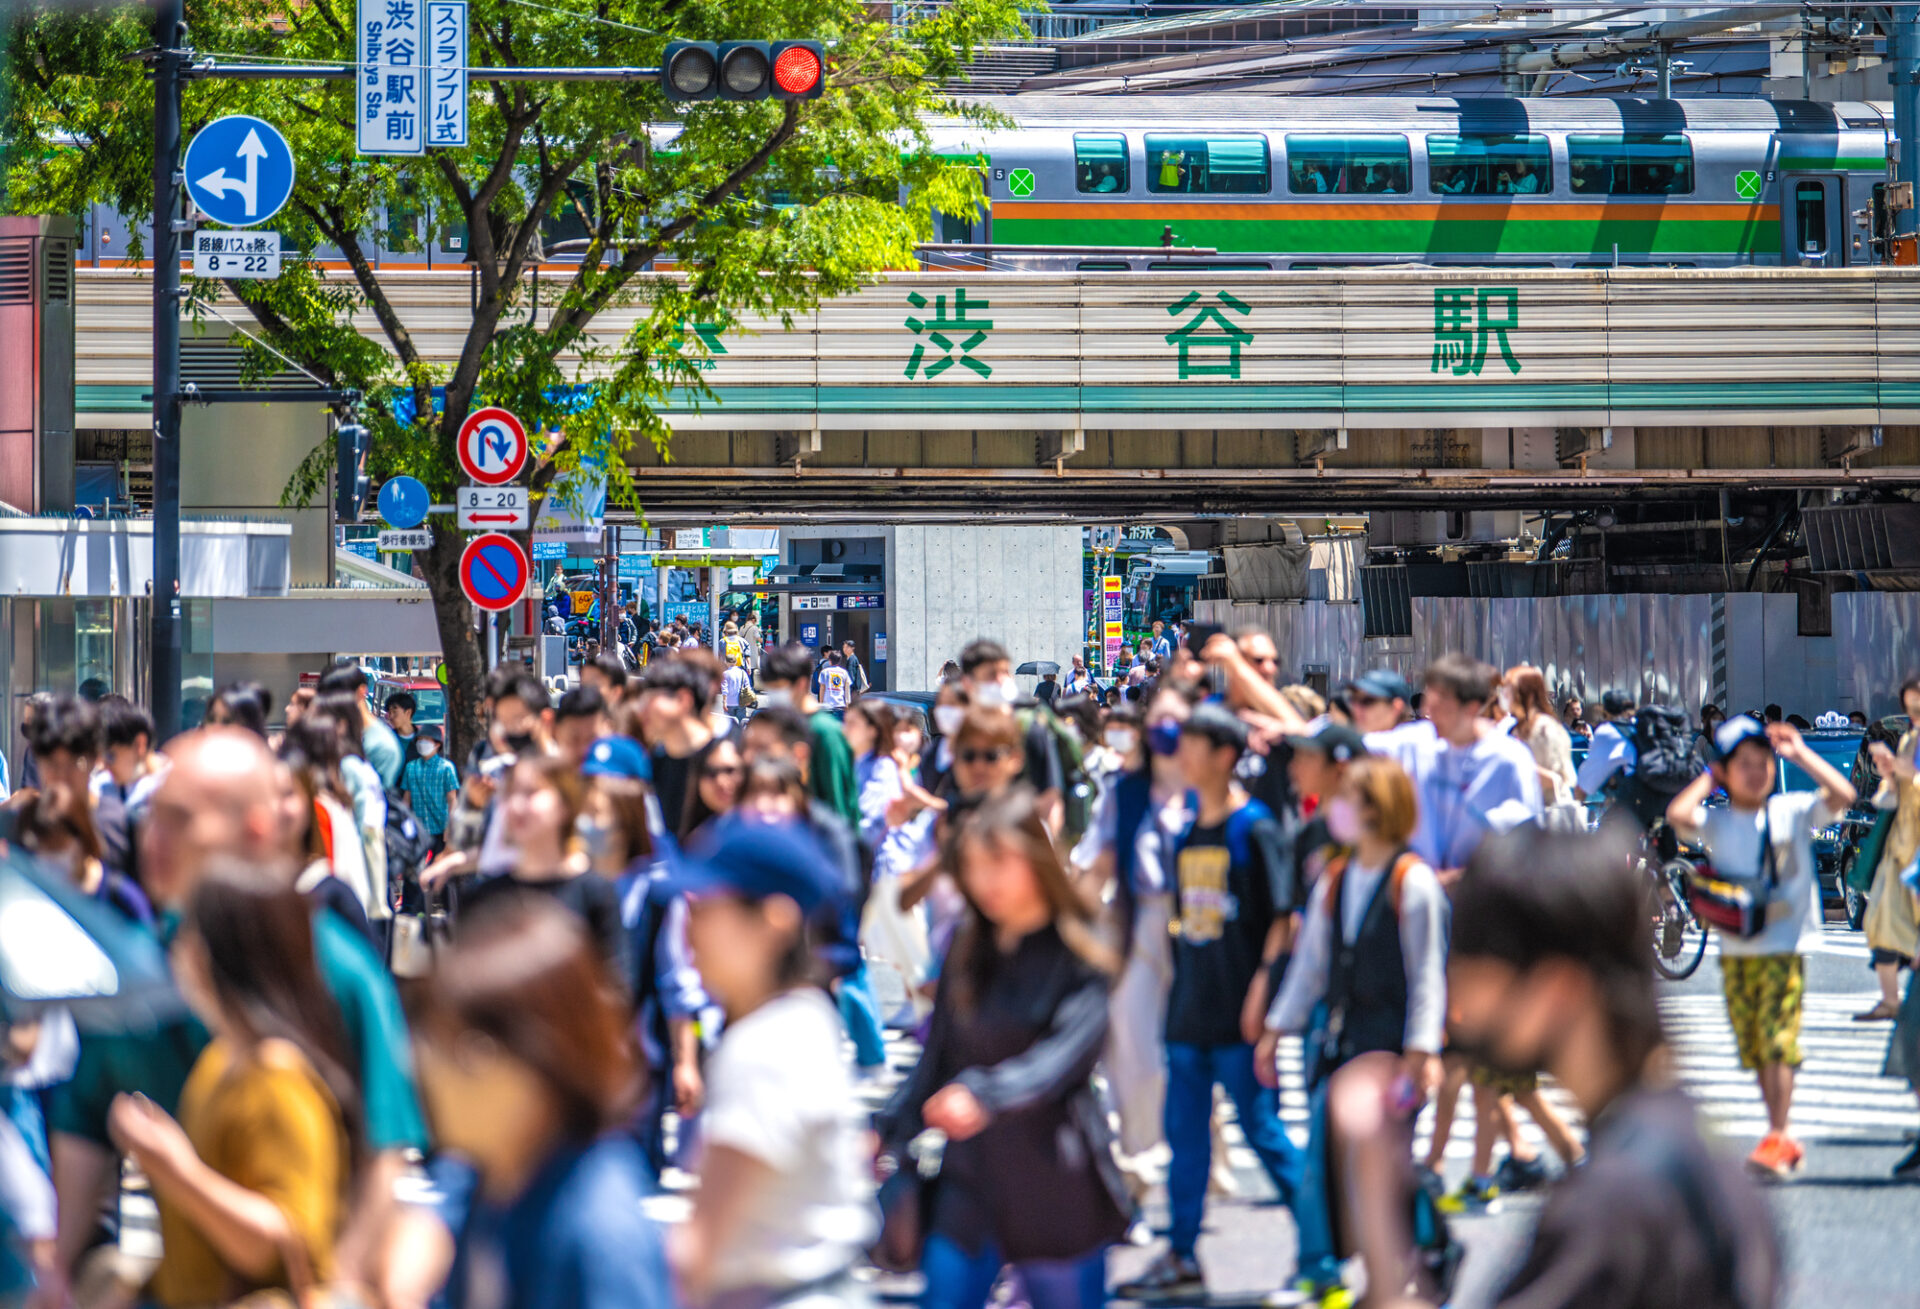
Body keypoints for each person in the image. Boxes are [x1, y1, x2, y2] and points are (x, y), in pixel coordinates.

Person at [1444, 825, 1781, 1309]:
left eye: (1474, 976)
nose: (1458, 1007)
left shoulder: (1610, 1206)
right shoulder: (1694, 1147)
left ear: (1558, 988)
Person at [881, 789, 1127, 1309]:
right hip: (971, 1177)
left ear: (1036, 858)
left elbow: (1062, 1060)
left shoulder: (1081, 949)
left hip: (1055, 1175)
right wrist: (887, 1128)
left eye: (999, 862)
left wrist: (985, 1094)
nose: (983, 879)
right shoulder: (969, 948)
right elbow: (938, 1058)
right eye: (972, 865)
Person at [391, 897, 673, 1309]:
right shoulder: (494, 1176)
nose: (426, 1068)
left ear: (544, 1062)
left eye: (467, 1051)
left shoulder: (598, 1234)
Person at [1119, 703, 1304, 1299]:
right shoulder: (1184, 831)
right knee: (1186, 1140)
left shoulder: (1256, 828)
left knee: (1264, 1133)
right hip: (1189, 1012)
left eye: (1196, 747)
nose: (1184, 758)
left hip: (1240, 1015)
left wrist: (1263, 998)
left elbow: (1284, 919)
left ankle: (1325, 1246)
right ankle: (1181, 1255)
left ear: (1226, 755)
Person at [111, 865, 358, 1309]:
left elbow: (286, 1240)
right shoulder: (220, 1060)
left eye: (188, 935)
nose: (177, 948)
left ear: (212, 954)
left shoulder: (276, 1080)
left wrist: (177, 1170)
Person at [1263, 753, 1446, 1306]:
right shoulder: (1336, 878)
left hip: (1391, 1043)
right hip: (1341, 1042)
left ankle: (1410, 1260)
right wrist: (1277, 1030)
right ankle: (1351, 1269)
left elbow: (1427, 975)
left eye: (1349, 799)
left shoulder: (1412, 883)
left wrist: (1422, 1050)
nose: (1336, 809)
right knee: (1330, 1156)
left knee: (1384, 1165)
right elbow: (1310, 966)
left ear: (1378, 807)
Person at [671, 818, 877, 1307]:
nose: (688, 928)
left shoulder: (763, 1048)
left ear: (775, 920)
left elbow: (699, 1245)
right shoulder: (807, 1017)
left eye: (707, 907)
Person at [1668, 716, 1856, 1177]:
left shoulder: (1789, 810)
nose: (1757, 772)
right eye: (1744, 765)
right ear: (1726, 773)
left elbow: (1843, 797)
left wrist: (1800, 754)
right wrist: (1711, 773)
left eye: (1762, 763)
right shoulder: (1717, 820)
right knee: (1754, 1044)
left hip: (1783, 945)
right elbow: (1676, 815)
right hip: (1735, 950)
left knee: (1776, 1040)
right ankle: (1778, 1134)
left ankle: (1780, 1132)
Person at [456, 756, 630, 987]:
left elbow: (617, 986)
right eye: (510, 794)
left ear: (565, 804)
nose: (517, 806)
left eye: (531, 793)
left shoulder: (595, 894)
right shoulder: (481, 899)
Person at [1860, 676, 1920, 1023]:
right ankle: (1890, 999)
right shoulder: (1910, 740)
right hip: (1901, 848)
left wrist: (1903, 772)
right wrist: (1890, 774)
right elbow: (1896, 788)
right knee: (1880, 919)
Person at [959, 640, 1064, 835]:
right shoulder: (961, 732)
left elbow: (1050, 797)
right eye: (991, 675)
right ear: (968, 683)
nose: (1001, 681)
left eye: (1004, 672)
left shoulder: (1029, 728)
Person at [759, 644, 860, 832]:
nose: (774, 695)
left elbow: (838, 805)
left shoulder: (826, 732)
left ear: (801, 684)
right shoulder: (781, 725)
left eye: (778, 687)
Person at [635, 658, 720, 836]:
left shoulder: (724, 763)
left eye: (649, 701)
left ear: (683, 699)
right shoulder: (655, 762)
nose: (641, 712)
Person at [1505, 665, 1581, 828]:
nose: (1505, 696)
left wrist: (1514, 764)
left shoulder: (1545, 728)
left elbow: (1559, 778)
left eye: (1510, 690)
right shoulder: (1517, 728)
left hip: (1550, 817)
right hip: (1526, 819)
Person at [319, 663, 403, 793]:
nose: (331, 703)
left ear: (361, 692)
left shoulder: (382, 746)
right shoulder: (336, 733)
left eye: (337, 697)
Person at [846, 699, 904, 847]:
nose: (844, 729)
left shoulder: (883, 767)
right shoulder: (855, 763)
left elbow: (872, 820)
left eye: (852, 724)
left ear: (872, 730)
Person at [401, 725, 461, 856]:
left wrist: (449, 828)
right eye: (420, 740)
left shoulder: (446, 768)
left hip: (441, 829)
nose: (422, 743)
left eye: (426, 740)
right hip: (418, 830)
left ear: (437, 744)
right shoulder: (411, 767)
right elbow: (406, 799)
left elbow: (452, 800)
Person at [679, 736, 746, 842]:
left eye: (729, 770)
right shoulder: (692, 843)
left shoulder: (765, 830)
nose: (720, 781)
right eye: (710, 772)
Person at [386, 690, 421, 770]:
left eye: (394, 712)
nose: (391, 717)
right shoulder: (387, 740)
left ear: (408, 712)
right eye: (389, 712)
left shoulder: (423, 739)